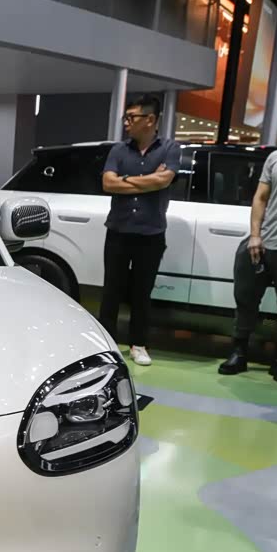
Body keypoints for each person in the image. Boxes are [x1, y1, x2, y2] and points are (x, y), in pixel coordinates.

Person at [99, 94, 181, 367]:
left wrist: (125, 180)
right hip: (118, 230)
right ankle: (107, 344)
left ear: (150, 120)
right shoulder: (118, 150)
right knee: (111, 290)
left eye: (131, 117)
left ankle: (138, 344)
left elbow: (164, 180)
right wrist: (149, 180)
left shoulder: (169, 148)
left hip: (151, 234)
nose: (126, 123)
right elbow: (108, 184)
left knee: (141, 292)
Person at [217, 105, 277, 384]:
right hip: (263, 241)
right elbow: (260, 197)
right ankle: (239, 352)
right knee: (245, 298)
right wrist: (254, 235)